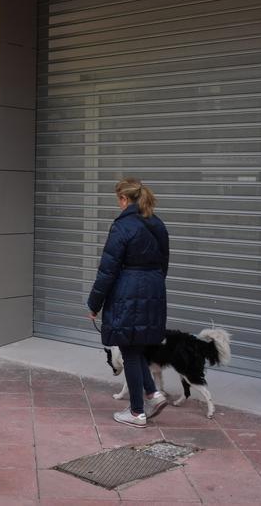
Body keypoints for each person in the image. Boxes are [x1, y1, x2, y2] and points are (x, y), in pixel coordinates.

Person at [87, 177, 170, 427]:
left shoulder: (122, 226)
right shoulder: (157, 223)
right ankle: (152, 394)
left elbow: (107, 270)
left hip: (128, 292)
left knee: (129, 349)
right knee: (136, 347)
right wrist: (151, 287)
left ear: (123, 199)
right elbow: (163, 263)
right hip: (153, 290)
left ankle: (136, 412)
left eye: (118, 200)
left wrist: (94, 303)